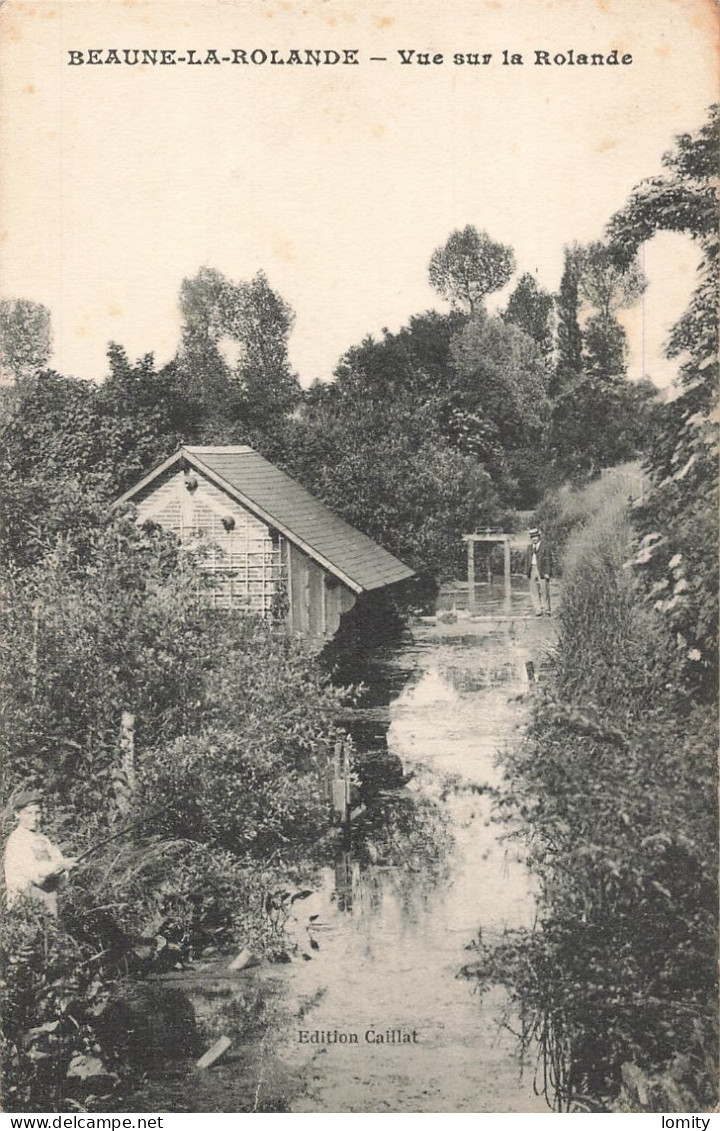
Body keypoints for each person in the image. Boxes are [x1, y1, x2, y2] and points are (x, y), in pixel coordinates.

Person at [3, 790, 78, 915]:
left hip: (47, 901)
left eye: (37, 813)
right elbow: (34, 871)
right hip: (24, 906)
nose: (34, 818)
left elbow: (57, 863)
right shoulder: (17, 840)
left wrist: (68, 867)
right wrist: (60, 866)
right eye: (29, 813)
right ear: (17, 814)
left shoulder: (43, 839)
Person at [525, 527, 552, 617]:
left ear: (539, 536)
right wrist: (526, 572)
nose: (534, 539)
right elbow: (527, 560)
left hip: (542, 570)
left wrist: (547, 572)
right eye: (532, 537)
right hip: (532, 569)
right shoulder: (529, 547)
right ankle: (538, 609)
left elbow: (548, 560)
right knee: (534, 591)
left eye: (535, 536)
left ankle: (547, 609)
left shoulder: (545, 546)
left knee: (544, 590)